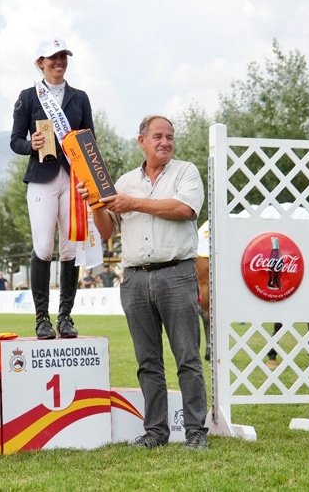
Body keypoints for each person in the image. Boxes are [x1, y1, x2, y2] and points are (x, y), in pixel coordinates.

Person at [80, 115, 208, 450]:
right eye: (158, 136)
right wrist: (95, 204)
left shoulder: (186, 172)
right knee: (147, 361)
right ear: (142, 141)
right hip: (135, 278)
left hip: (177, 273)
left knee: (187, 357)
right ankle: (156, 431)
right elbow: (107, 230)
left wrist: (133, 203)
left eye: (170, 137)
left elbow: (184, 209)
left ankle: (196, 431)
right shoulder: (123, 182)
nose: (165, 142)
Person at [10, 37, 94, 340]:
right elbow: (15, 140)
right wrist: (29, 144)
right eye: (52, 58)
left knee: (71, 247)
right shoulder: (28, 96)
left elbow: (89, 140)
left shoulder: (80, 97)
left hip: (73, 178)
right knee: (44, 247)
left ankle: (66, 316)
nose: (58, 62)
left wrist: (91, 179)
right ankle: (41, 319)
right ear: (40, 63)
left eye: (63, 57)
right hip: (42, 177)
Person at [195, 220, 212, 361]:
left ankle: (209, 345)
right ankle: (209, 344)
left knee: (204, 287)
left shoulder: (202, 229)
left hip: (201, 250)